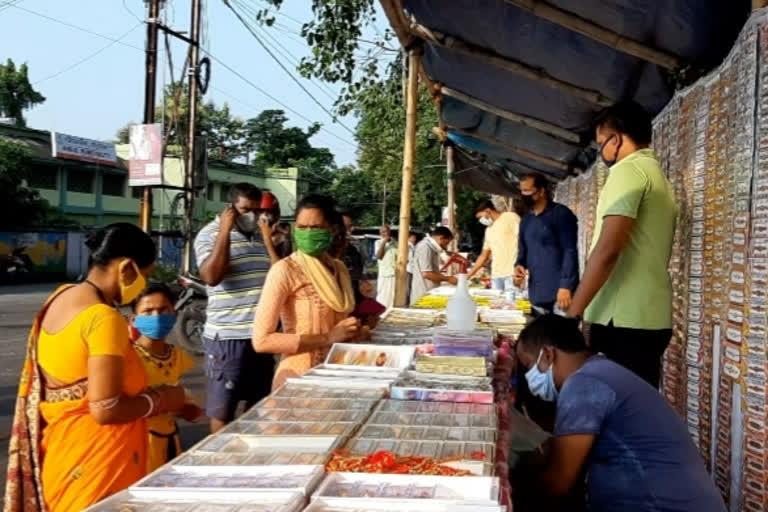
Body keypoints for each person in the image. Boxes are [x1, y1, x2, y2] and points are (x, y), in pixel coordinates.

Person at [5, 223, 186, 512]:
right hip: (98, 461)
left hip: (64, 451)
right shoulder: (104, 319)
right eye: (145, 276)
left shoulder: (61, 296)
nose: (142, 285)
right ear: (127, 268)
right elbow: (106, 408)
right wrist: (164, 399)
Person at [515, 315, 726, 512]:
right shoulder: (602, 370)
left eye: (528, 366)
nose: (530, 378)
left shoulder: (584, 385)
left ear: (548, 354)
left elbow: (559, 483)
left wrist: (510, 491)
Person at [567, 101, 677, 388]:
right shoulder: (657, 175)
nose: (601, 152)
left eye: (601, 143)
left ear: (616, 139)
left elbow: (608, 250)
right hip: (650, 315)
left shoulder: (627, 172)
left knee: (616, 412)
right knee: (637, 407)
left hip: (621, 318)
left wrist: (572, 315)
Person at [252, 195, 361, 389]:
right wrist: (327, 338)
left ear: (332, 229)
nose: (308, 233)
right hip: (299, 379)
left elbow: (339, 325)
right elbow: (262, 340)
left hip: (339, 374)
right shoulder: (285, 270)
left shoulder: (339, 269)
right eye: (302, 227)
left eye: (316, 227)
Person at [194, 182, 276, 433]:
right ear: (229, 209)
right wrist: (225, 232)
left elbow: (277, 276)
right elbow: (212, 276)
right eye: (244, 210)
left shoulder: (260, 236)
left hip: (259, 336)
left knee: (259, 404)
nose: (251, 216)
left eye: (256, 210)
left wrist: (267, 239)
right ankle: (219, 464)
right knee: (223, 409)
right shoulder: (209, 235)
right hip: (228, 337)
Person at [130, 284, 204, 472]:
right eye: (148, 311)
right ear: (134, 319)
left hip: (170, 439)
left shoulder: (175, 355)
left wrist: (187, 408)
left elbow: (182, 403)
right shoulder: (129, 358)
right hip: (140, 444)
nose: (157, 317)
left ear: (174, 314)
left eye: (163, 310)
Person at [514, 174, 579, 314]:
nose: (523, 195)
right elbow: (523, 251)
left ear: (542, 191)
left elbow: (570, 250)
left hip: (560, 294)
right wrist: (519, 266)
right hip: (537, 293)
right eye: (522, 191)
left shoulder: (561, 214)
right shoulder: (526, 220)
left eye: (527, 191)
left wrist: (566, 286)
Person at [467, 199, 520, 291]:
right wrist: (468, 275)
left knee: (512, 304)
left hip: (512, 273)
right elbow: (484, 256)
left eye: (481, 217)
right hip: (496, 275)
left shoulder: (510, 217)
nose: (481, 221)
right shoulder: (489, 230)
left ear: (488, 211)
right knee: (497, 304)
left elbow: (523, 240)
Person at [409, 226, 458, 305]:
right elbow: (427, 274)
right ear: (441, 238)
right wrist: (447, 279)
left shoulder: (431, 247)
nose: (446, 246)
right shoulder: (425, 247)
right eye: (446, 243)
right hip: (423, 292)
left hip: (430, 290)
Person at [375, 225, 397, 308]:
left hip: (394, 273)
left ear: (389, 232)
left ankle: (388, 312)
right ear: (380, 233)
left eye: (386, 231)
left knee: (391, 297)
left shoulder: (394, 244)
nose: (385, 233)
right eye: (383, 232)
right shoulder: (378, 242)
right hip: (384, 274)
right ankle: (380, 313)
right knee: (382, 296)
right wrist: (384, 242)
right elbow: (379, 256)